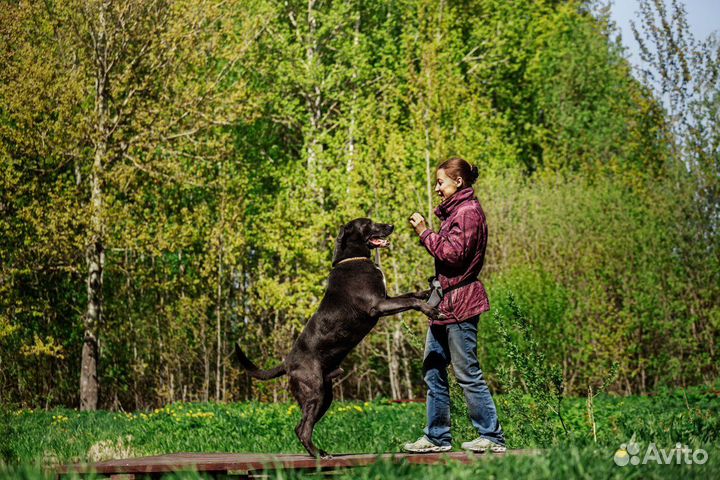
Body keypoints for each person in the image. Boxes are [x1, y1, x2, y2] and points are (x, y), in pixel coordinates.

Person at [403, 157, 506, 454]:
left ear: (457, 182)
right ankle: (437, 437)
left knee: (466, 372)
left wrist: (424, 231)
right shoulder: (455, 213)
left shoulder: (468, 213)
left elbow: (452, 255)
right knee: (433, 369)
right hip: (443, 306)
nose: (436, 188)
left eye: (440, 182)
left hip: (461, 305)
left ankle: (492, 436)